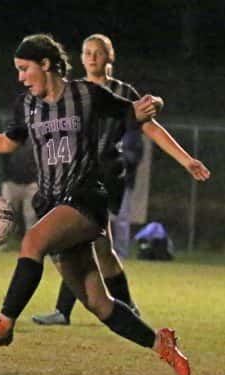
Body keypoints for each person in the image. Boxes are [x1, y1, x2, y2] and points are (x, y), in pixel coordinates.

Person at [0, 33, 210, 375]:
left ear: (46, 64)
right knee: (99, 303)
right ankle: (161, 344)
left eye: (24, 69)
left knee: (32, 242)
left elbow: (135, 112)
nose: (20, 77)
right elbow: (7, 142)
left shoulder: (86, 93)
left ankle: (3, 325)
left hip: (85, 198)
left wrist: (153, 105)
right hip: (51, 202)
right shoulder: (26, 104)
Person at [32, 33, 143, 326]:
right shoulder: (72, 91)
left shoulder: (123, 91)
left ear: (110, 56)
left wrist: (129, 164)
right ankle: (111, 309)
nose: (92, 57)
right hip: (75, 175)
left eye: (98, 52)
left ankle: (118, 309)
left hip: (104, 175)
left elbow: (143, 125)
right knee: (89, 245)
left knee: (92, 245)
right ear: (80, 57)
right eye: (86, 52)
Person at [0, 137, 38, 249]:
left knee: (31, 217)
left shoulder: (37, 139)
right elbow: (2, 159)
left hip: (32, 184)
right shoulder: (11, 140)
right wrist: (3, 175)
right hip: (12, 182)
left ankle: (31, 246)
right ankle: (4, 243)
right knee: (7, 215)